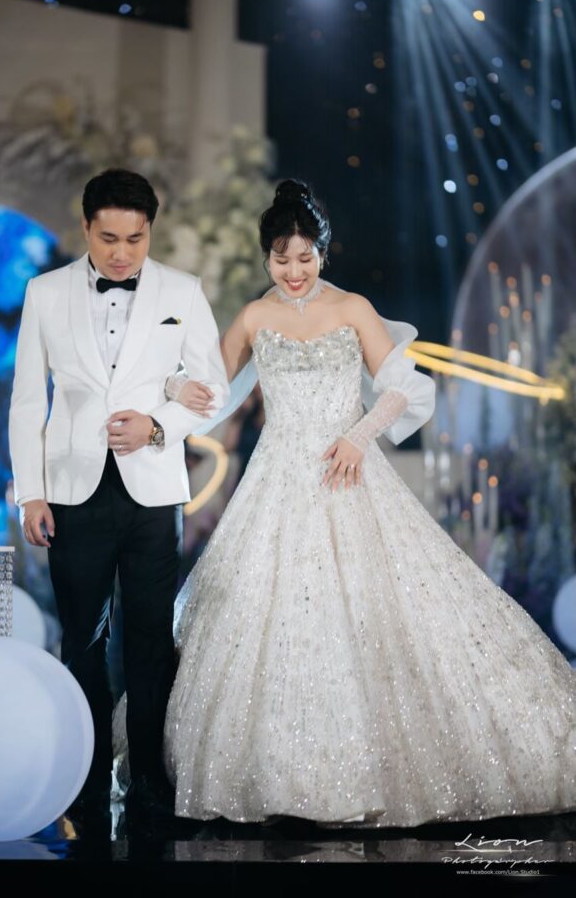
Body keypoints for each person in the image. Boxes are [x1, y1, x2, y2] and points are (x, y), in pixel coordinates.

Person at [112, 178, 576, 828]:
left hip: (348, 472)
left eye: (304, 258)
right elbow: (211, 392)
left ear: (322, 253)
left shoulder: (353, 308)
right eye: (280, 259)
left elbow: (405, 388)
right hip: (275, 481)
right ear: (266, 258)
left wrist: (359, 436)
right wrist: (167, 387)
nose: (293, 272)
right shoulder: (253, 318)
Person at [8, 168, 229, 828]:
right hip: (70, 491)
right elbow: (27, 401)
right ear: (85, 228)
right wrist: (31, 494)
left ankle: (149, 781)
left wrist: (157, 424)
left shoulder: (181, 291)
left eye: (135, 239)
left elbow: (214, 390)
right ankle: (85, 776)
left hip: (153, 490)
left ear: (149, 231)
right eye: (108, 239)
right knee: (81, 638)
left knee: (150, 639)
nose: (122, 254)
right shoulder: (44, 292)